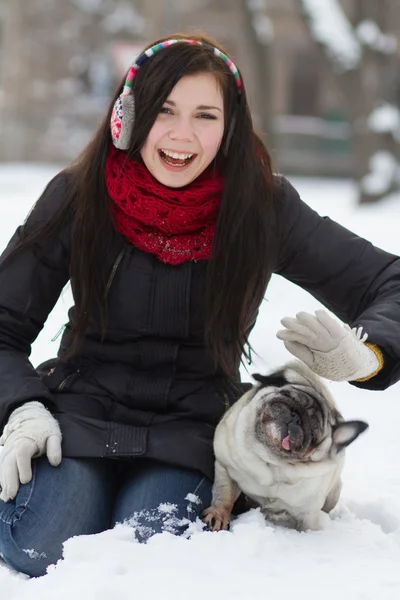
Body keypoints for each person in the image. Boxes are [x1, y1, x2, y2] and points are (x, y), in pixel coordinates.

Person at [0, 32, 399, 578]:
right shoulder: (79, 194)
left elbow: (389, 281)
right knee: (39, 542)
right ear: (129, 115)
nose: (182, 135)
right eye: (165, 110)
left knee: (155, 550)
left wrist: (366, 355)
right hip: (81, 413)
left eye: (205, 115)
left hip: (193, 430)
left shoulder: (264, 208)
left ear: (229, 127)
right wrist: (20, 406)